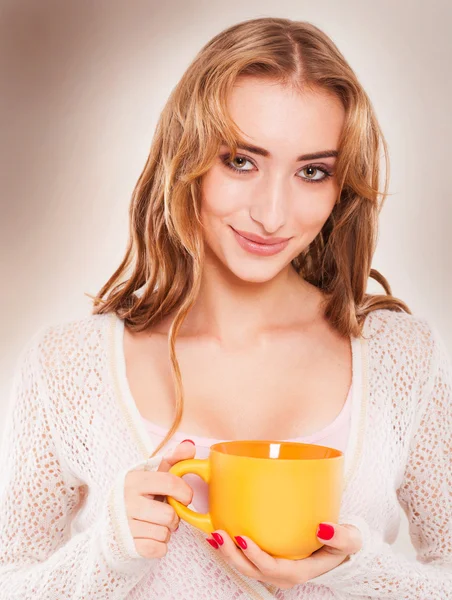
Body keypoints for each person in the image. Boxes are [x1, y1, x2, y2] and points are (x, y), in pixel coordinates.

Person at [0, 16, 451, 600]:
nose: (272, 213)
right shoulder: (67, 368)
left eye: (312, 172)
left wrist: (359, 570)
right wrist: (107, 555)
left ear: (341, 188)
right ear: (185, 159)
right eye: (242, 160)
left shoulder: (402, 358)